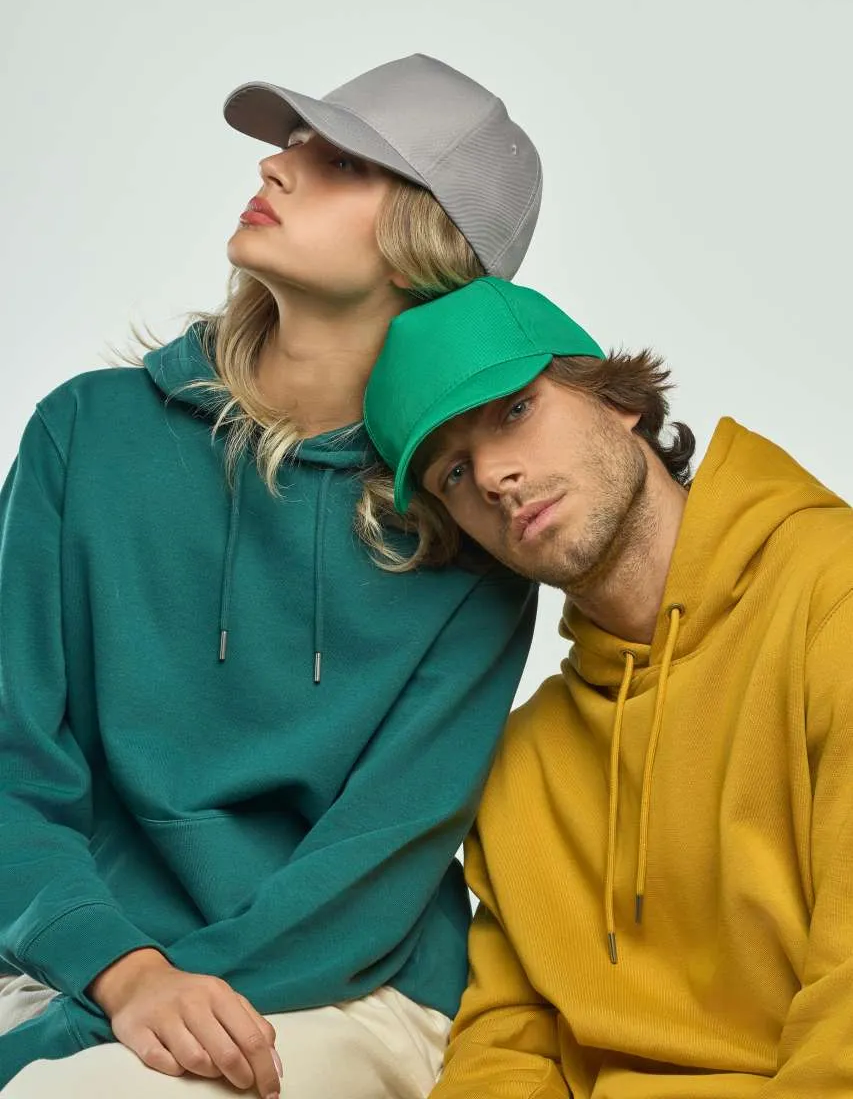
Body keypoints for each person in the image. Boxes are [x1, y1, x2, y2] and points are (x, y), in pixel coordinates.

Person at [0, 56, 542, 1098]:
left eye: (339, 163)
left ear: (431, 240)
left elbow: (370, 875)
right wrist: (120, 974)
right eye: (290, 145)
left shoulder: (467, 526)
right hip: (91, 966)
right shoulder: (86, 433)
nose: (274, 167)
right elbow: (12, 765)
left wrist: (87, 1025)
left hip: (343, 986)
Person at [363, 277, 853, 1097]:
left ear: (616, 399)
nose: (493, 477)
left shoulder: (831, 601)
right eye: (452, 473)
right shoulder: (525, 760)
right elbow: (507, 1041)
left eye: (514, 410)